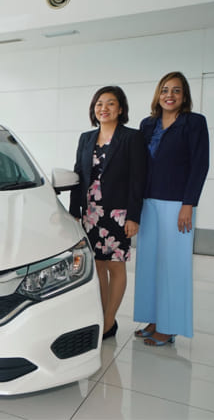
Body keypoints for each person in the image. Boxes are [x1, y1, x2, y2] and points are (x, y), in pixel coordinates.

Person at [133, 72, 209, 346]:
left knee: (173, 266)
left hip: (178, 204)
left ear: (184, 95)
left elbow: (200, 164)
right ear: (158, 94)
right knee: (149, 264)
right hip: (148, 203)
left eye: (176, 90)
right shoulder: (147, 124)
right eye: (165, 90)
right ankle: (155, 319)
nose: (170, 95)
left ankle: (170, 326)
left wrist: (188, 204)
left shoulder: (194, 123)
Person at [69, 86, 147, 341]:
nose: (104, 108)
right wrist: (74, 211)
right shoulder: (86, 138)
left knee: (116, 265)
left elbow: (138, 180)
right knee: (98, 266)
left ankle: (110, 319)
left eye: (110, 103)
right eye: (99, 103)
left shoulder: (131, 138)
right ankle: (102, 317)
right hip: (91, 212)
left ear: (120, 109)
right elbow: (78, 175)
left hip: (118, 213)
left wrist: (133, 216)